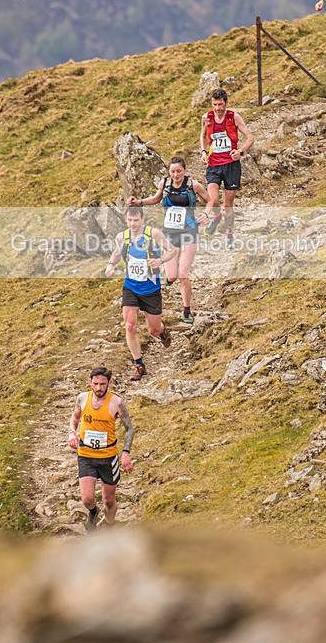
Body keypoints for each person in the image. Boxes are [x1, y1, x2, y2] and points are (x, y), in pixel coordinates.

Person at [128, 156, 213, 324]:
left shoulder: (193, 185)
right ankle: (170, 277)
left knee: (183, 275)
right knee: (172, 276)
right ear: (169, 171)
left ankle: (187, 310)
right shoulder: (164, 184)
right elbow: (156, 198)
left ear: (185, 170)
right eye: (172, 171)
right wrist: (140, 202)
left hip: (189, 232)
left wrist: (205, 213)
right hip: (169, 234)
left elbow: (210, 200)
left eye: (179, 171)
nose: (176, 175)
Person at [105, 205, 176, 380]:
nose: (133, 224)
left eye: (136, 220)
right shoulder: (122, 237)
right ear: (125, 220)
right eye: (129, 220)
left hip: (151, 288)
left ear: (143, 219)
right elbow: (116, 253)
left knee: (153, 329)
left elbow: (172, 250)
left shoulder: (154, 234)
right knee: (130, 325)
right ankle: (139, 365)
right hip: (131, 286)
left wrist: (160, 260)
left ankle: (162, 332)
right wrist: (111, 265)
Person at [68, 367, 134, 531]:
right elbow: (75, 418)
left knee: (109, 501)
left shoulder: (117, 402)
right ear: (90, 382)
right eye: (95, 384)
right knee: (87, 498)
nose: (98, 388)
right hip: (86, 455)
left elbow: (129, 428)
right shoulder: (82, 398)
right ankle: (93, 512)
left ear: (109, 383)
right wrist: (72, 433)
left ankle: (109, 525)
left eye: (102, 384)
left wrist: (125, 453)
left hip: (108, 458)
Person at [200, 88, 254, 248]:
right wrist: (203, 151)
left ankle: (229, 233)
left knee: (228, 205)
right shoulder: (206, 117)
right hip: (214, 165)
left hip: (231, 166)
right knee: (214, 200)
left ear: (226, 103)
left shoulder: (234, 117)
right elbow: (203, 136)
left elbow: (250, 137)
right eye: (215, 104)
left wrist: (240, 151)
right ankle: (217, 218)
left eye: (220, 104)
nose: (217, 108)